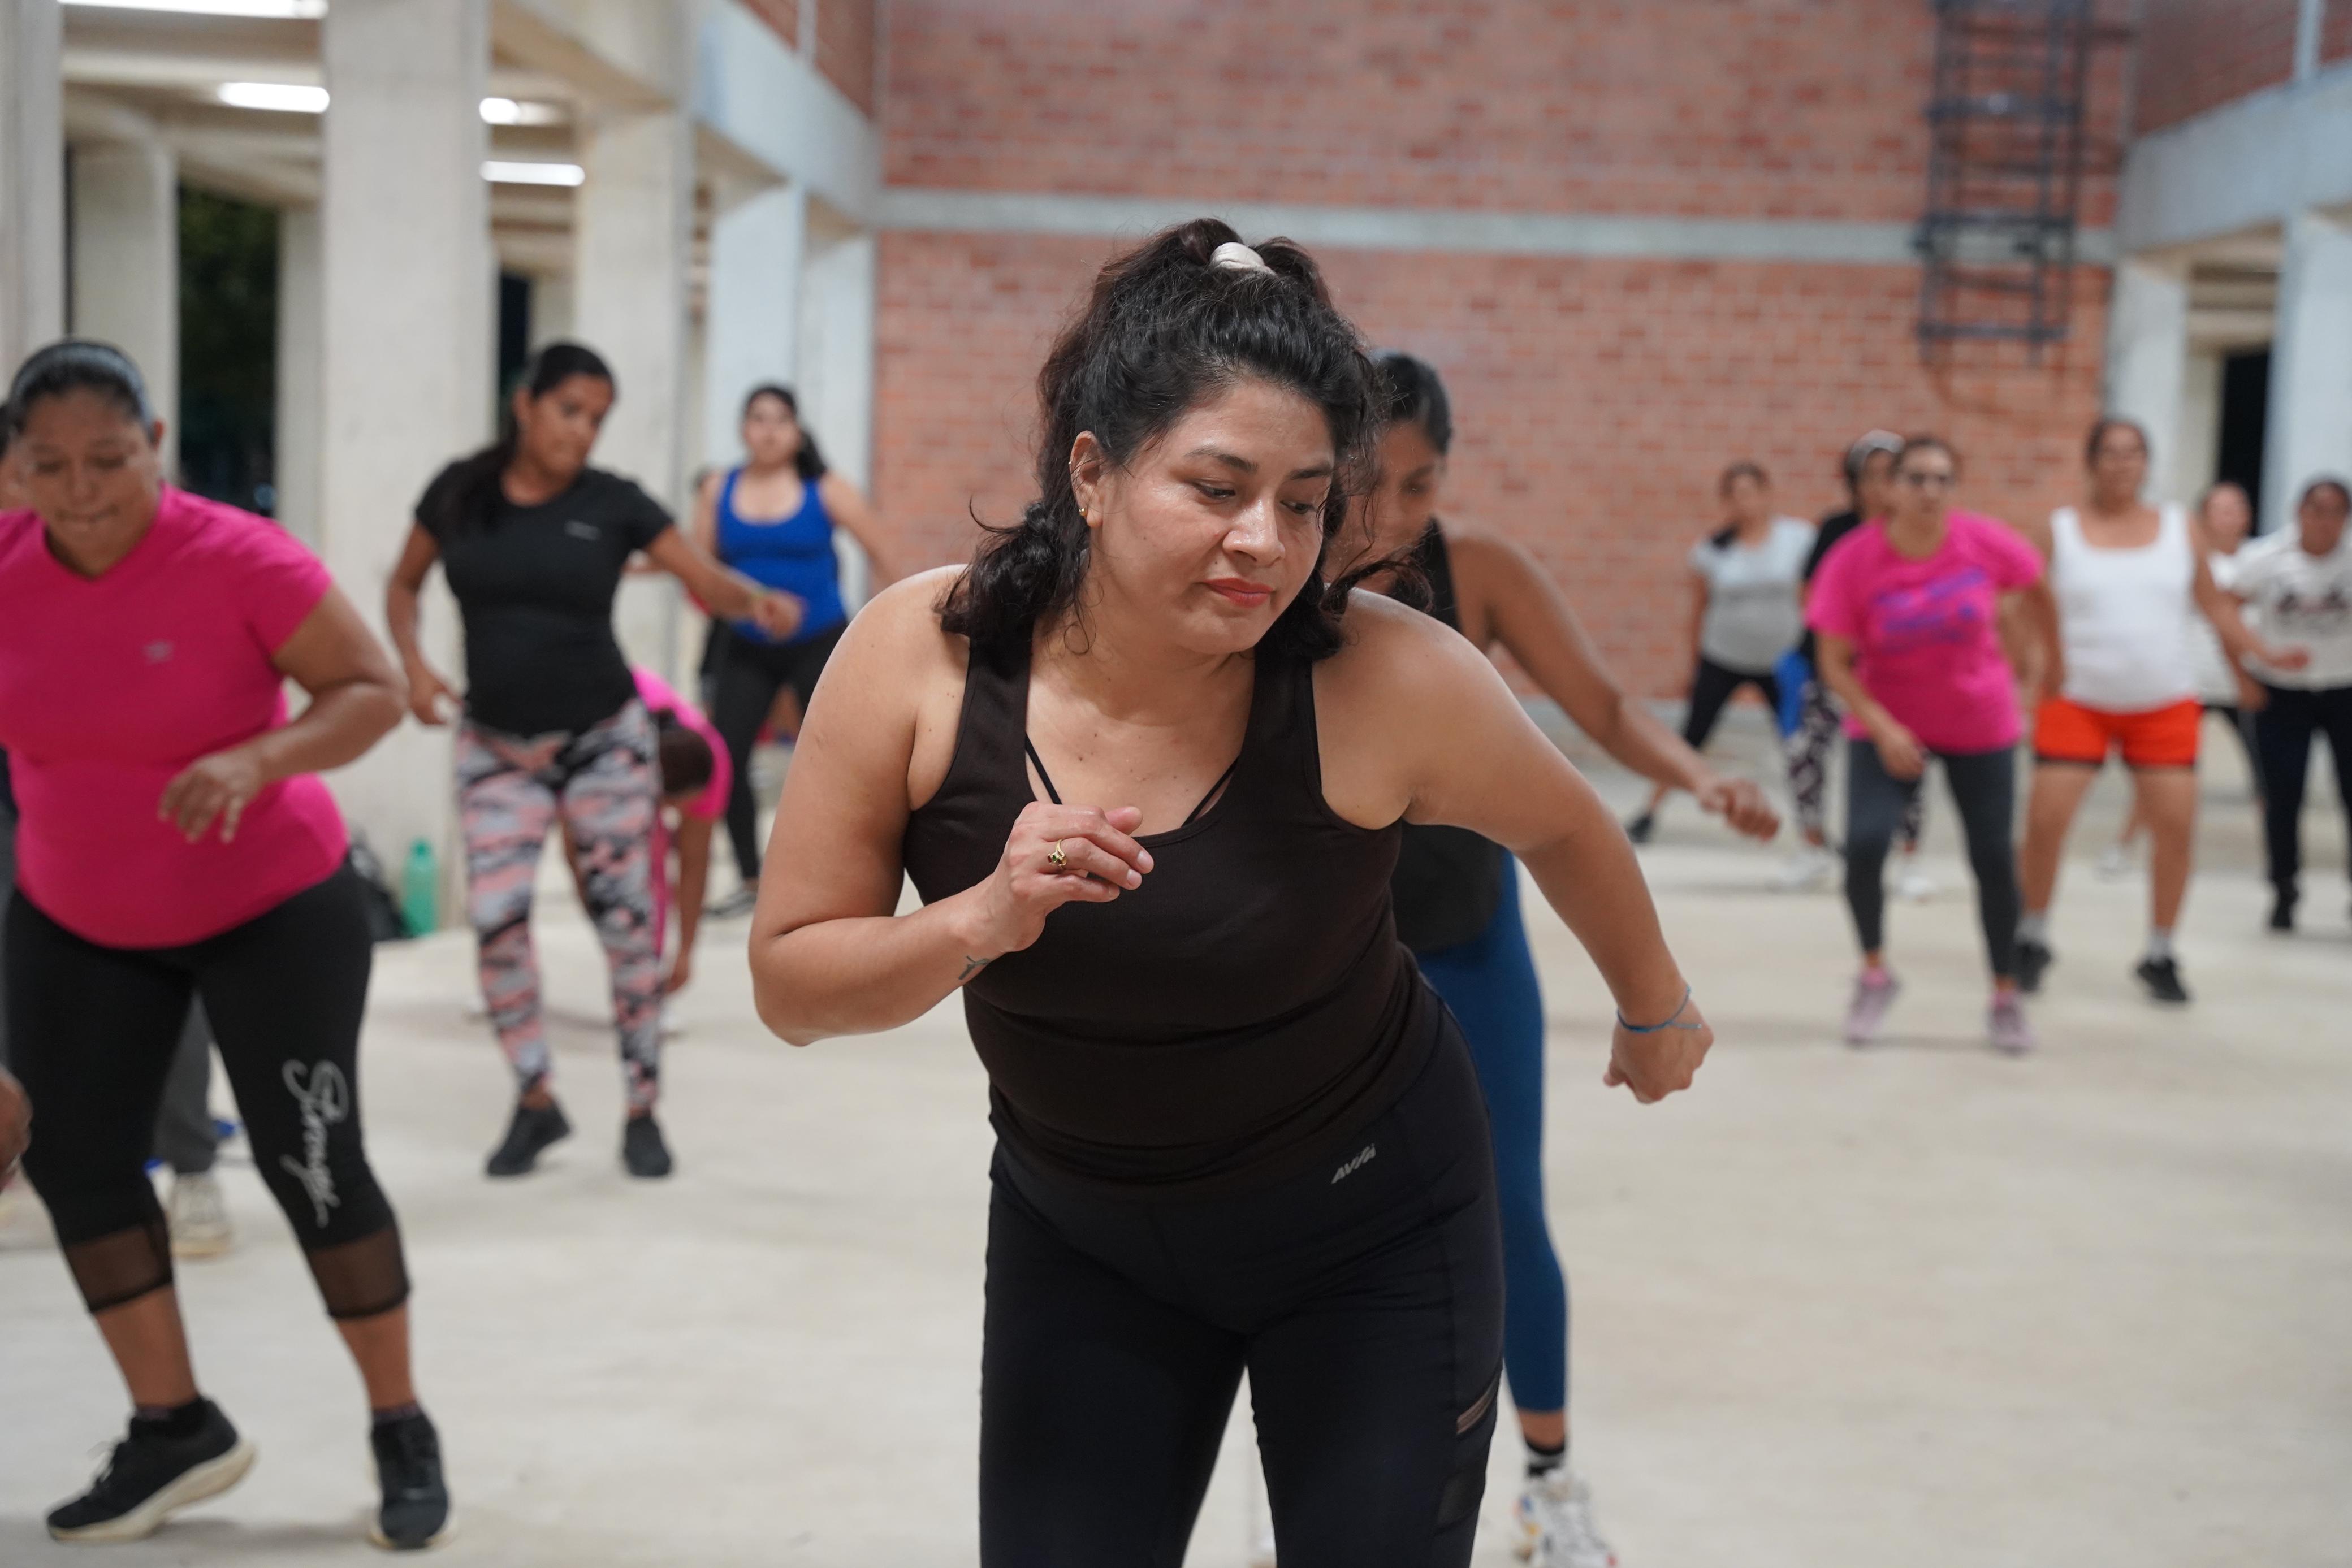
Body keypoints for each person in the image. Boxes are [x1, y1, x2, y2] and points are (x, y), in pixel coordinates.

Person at [746, 222, 1714, 1568]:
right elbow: (790, 984)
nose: (1265, 542)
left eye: (1306, 501)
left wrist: (1653, 1008)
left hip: (1376, 1232)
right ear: (1092, 471)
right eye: (1215, 487)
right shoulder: (922, 658)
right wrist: (977, 920)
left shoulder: (1383, 676)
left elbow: (1565, 826)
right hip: (1080, 1235)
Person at [0, 340, 447, 1548]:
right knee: (79, 1164)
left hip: (269, 908)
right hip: (75, 913)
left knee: (313, 1165)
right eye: (49, 465)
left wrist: (260, 757)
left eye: (108, 458)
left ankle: (399, 1421)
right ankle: (172, 1425)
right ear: (15, 470)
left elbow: (366, 687)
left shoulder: (237, 558)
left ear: (155, 444)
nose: (82, 488)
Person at [1334, 350, 1770, 1567]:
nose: (1399, 513)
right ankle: (1306, 1490)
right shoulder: (1282, 575)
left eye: (1424, 484)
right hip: (1328, 959)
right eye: (1378, 482)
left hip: (1468, 938)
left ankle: (1549, 1481)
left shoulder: (1476, 572)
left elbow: (1604, 709)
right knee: (1322, 1223)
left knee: (1505, 1209)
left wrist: (1701, 778)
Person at [386, 342, 799, 1181]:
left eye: (598, 417)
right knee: (497, 919)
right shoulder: (459, 490)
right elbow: (403, 585)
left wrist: (752, 601)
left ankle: (643, 1106)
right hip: (495, 746)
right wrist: (417, 666)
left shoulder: (614, 505)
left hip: (604, 742)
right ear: (526, 404)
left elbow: (701, 576)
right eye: (570, 409)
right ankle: (536, 1099)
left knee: (624, 923)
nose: (583, 430)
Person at [2013, 421, 2294, 1003]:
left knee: (2173, 827)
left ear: (2146, 463)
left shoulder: (2177, 529)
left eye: (2132, 454)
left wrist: (2259, 656)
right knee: (2044, 821)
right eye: (2109, 454)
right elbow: (2019, 604)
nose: (2120, 465)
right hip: (2076, 698)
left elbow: (2212, 605)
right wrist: (2032, 670)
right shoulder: (2059, 530)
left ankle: (2160, 949)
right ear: (2090, 463)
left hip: (2161, 699)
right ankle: (2031, 934)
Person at [1807, 435, 2059, 1052]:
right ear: (1889, 486)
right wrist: (1885, 726)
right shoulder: (1853, 558)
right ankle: (1873, 974)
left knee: (1992, 858)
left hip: (1979, 721)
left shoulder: (1984, 542)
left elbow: (2036, 589)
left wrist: (2043, 670)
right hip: (1886, 721)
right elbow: (1833, 662)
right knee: (1864, 844)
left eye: (1940, 479)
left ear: (1954, 486)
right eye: (1914, 478)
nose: (1927, 491)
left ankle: (2004, 993)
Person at [693, 384, 893, 918]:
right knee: (725, 757)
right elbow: (702, 575)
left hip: (820, 641)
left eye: (780, 420)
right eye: (758, 418)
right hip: (745, 644)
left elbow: (883, 552)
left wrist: (903, 630)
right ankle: (751, 879)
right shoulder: (718, 489)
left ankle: (843, 879)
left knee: (841, 760)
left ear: (797, 431)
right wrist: (740, 607)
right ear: (742, 429)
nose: (769, 430)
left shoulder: (825, 489)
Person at [1625, 462, 1811, 843]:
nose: (1745, 502)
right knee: (1691, 737)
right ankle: (1648, 812)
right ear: (1726, 501)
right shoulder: (1713, 549)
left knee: (1797, 745)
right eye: (1736, 494)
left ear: (1767, 493)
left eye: (1751, 492)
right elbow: (1698, 610)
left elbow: (1813, 597)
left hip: (1779, 660)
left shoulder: (1797, 539)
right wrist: (1693, 665)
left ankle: (1814, 829)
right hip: (1723, 656)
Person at [1782, 432, 1931, 893]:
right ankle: (1813, 848)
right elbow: (1810, 592)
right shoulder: (1836, 529)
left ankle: (1907, 859)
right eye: (1871, 477)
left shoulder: (1914, 532)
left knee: (1905, 755)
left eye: (1891, 476)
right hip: (1834, 662)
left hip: (1893, 670)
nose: (1881, 487)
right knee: (1805, 751)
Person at [2102, 479, 2267, 876]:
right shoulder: (2183, 559)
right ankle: (2123, 847)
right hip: (2188, 681)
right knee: (2160, 774)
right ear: (2203, 516)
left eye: (2237, 507)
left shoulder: (2262, 562)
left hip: (2243, 682)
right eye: (2221, 509)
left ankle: (2273, 855)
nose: (2230, 516)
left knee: (2269, 775)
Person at [562, 666, 730, 998]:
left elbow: (695, 865)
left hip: (644, 750)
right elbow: (575, 848)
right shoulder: (610, 754)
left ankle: (644, 976)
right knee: (607, 865)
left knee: (654, 866)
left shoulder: (712, 763)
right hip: (577, 723)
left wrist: (685, 952)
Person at [2231, 477, 2352, 932]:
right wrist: (2243, 674)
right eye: (2315, 510)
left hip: (2344, 688)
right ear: (2299, 512)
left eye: (2335, 512)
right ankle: (2284, 887)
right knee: (2283, 794)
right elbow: (2224, 608)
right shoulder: (2265, 559)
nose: (2324, 521)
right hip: (2282, 692)